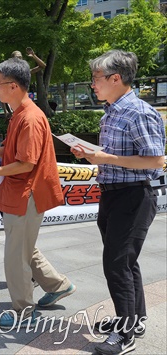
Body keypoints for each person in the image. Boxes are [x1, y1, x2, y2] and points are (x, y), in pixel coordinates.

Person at [0, 58, 76, 330]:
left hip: (26, 194)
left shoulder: (28, 117)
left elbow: (26, 163)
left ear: (13, 86)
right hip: (21, 194)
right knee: (25, 247)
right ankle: (59, 285)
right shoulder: (21, 112)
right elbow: (11, 152)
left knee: (16, 256)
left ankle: (24, 312)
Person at [72, 50, 165, 355]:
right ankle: (133, 319)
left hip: (135, 194)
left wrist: (106, 158)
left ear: (116, 79)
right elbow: (118, 154)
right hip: (113, 192)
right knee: (125, 261)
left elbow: (155, 161)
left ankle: (125, 336)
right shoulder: (112, 110)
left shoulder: (139, 111)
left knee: (116, 263)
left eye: (96, 78)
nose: (92, 84)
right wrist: (91, 154)